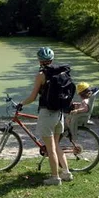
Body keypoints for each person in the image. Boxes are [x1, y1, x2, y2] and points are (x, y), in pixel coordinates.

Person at [18, 47, 73, 186]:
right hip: (59, 113)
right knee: (56, 145)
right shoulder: (61, 72)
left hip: (47, 114)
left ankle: (55, 178)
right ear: (52, 60)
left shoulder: (41, 75)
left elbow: (32, 97)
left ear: (39, 60)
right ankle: (66, 173)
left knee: (51, 148)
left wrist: (21, 103)